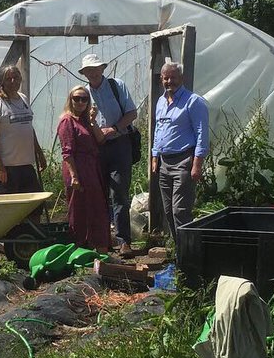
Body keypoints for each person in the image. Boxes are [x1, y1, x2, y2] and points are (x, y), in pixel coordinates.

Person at [78, 53, 138, 250]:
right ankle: (102, 240)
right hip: (96, 148)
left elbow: (132, 113)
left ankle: (123, 241)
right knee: (99, 193)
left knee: (119, 192)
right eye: (89, 70)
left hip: (120, 144)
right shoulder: (83, 94)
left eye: (96, 68)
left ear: (103, 69)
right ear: (84, 73)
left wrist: (114, 128)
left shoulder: (116, 85)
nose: (93, 73)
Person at [151, 61, 210, 240]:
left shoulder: (193, 102)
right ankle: (178, 249)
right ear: (161, 79)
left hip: (184, 160)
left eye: (173, 77)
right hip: (164, 161)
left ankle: (188, 253)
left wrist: (197, 164)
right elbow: (158, 130)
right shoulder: (161, 101)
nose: (170, 81)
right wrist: (155, 156)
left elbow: (202, 133)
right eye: (166, 78)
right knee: (168, 210)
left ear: (181, 78)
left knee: (180, 210)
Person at [57, 86, 111, 252]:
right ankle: (78, 247)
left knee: (97, 207)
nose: (80, 102)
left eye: (84, 99)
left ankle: (99, 247)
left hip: (91, 169)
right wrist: (74, 176)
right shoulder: (67, 121)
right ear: (70, 100)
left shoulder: (86, 121)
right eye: (76, 98)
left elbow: (100, 139)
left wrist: (93, 120)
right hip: (77, 168)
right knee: (79, 209)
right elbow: (67, 152)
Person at [0, 65, 46, 195]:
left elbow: (29, 128)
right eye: (8, 79)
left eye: (16, 78)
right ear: (2, 81)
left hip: (27, 164)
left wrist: (39, 152)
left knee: (33, 208)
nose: (13, 81)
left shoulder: (23, 99)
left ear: (20, 79)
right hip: (8, 167)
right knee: (6, 207)